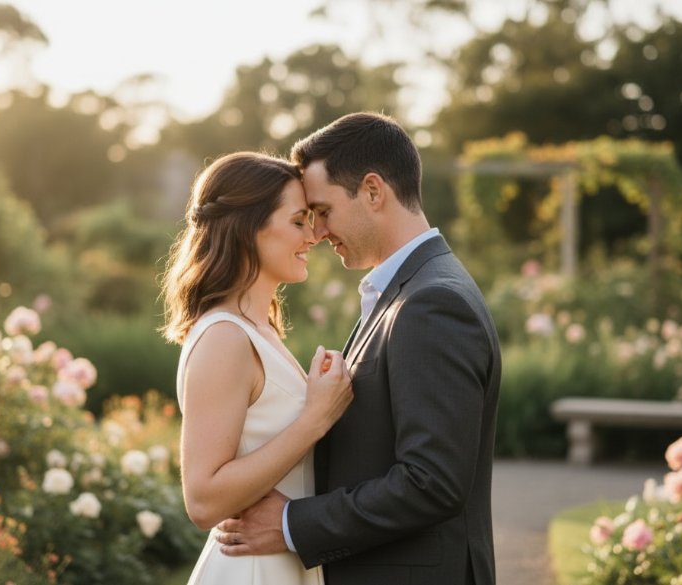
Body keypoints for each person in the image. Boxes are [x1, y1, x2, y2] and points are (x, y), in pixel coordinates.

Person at [215, 112, 502, 585]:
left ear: (372, 191)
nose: (318, 233)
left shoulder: (432, 302)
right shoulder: (409, 290)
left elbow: (432, 483)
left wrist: (290, 523)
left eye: (323, 211)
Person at [161, 151, 354, 585]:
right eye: (299, 221)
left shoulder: (258, 330)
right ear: (249, 227)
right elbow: (203, 500)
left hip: (280, 563)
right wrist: (315, 418)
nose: (314, 235)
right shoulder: (224, 338)